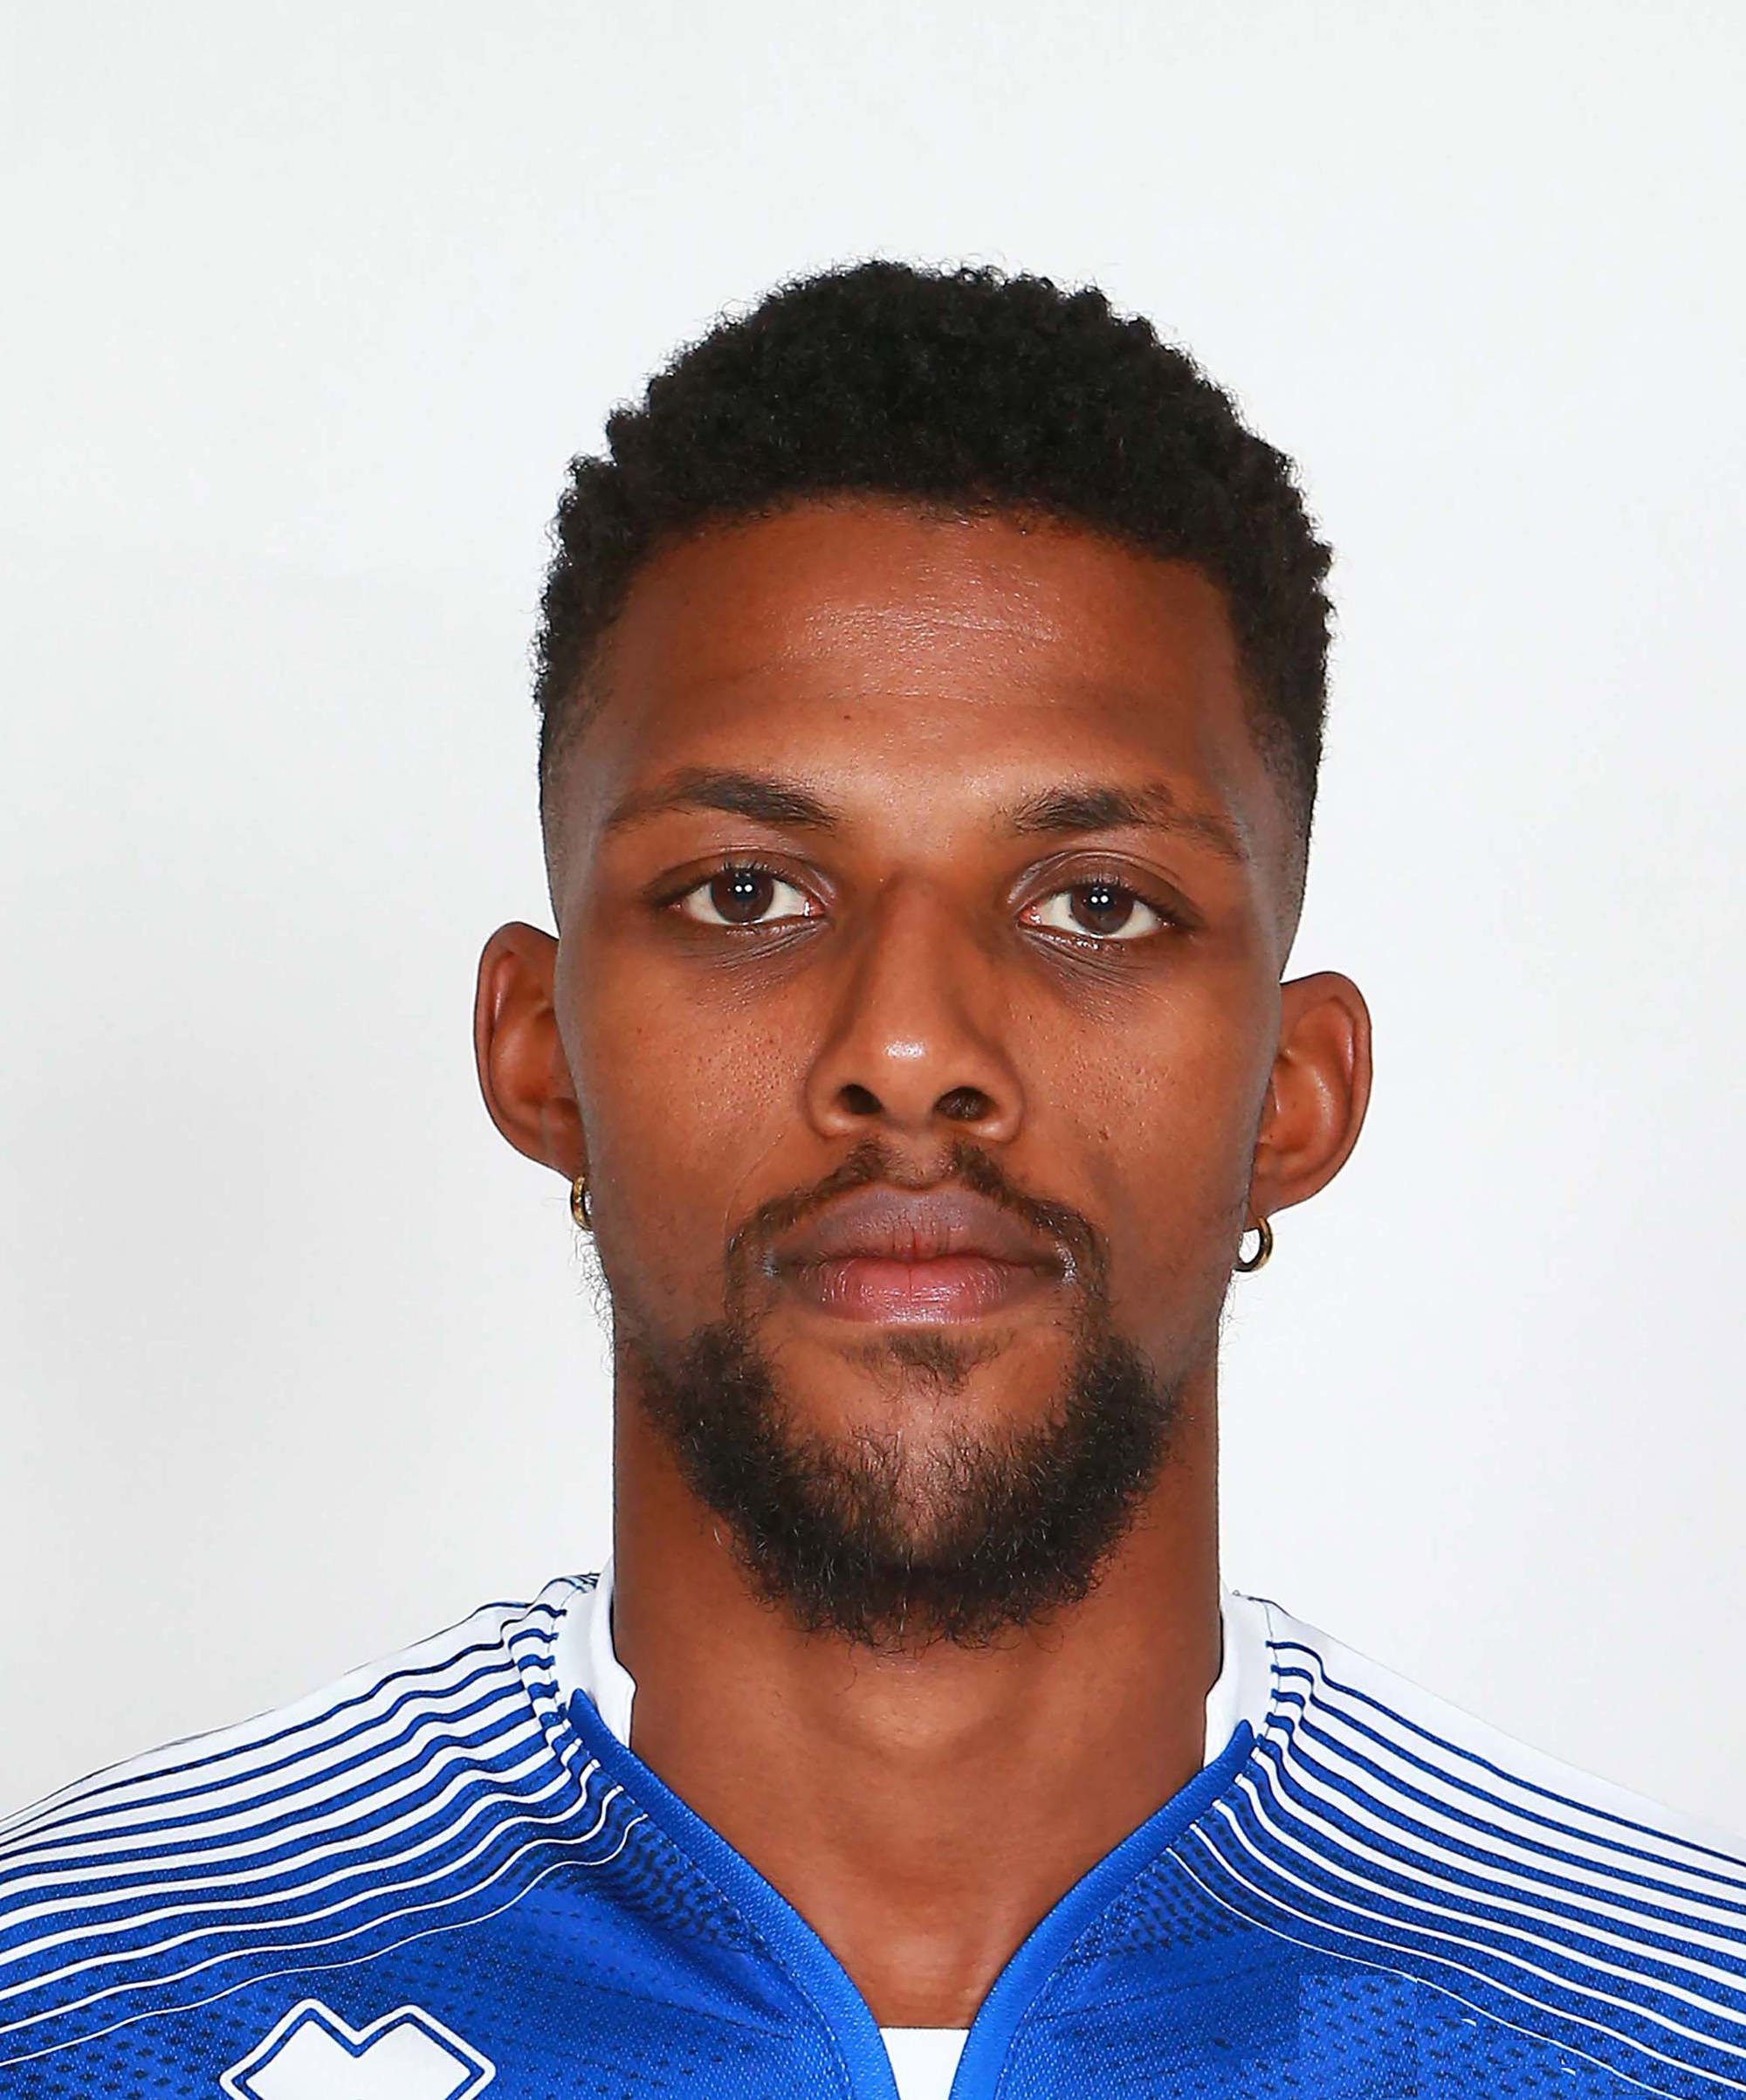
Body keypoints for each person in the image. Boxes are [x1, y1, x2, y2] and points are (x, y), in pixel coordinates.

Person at [3, 262, 1740, 2100]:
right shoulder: (84, 2006)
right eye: (745, 892)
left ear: (1292, 1098)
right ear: (541, 1053)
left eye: (1096, 905)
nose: (909, 1047)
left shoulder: (1668, 2030)